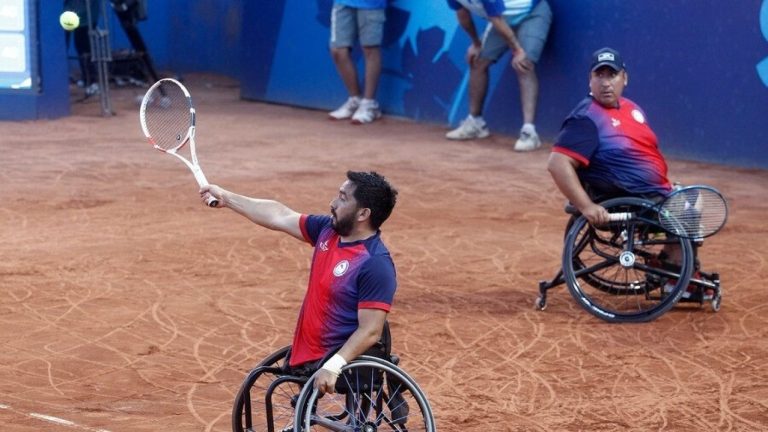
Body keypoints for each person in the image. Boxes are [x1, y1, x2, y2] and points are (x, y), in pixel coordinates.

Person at [200, 171, 398, 394]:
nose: (332, 203)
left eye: (343, 198)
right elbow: (279, 216)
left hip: (338, 359)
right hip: (307, 354)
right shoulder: (327, 232)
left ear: (363, 213)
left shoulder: (375, 264)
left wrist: (334, 365)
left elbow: (371, 330)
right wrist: (227, 198)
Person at [547, 47, 672, 226]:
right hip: (634, 199)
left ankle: (671, 254)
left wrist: (663, 183)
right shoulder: (586, 118)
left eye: (612, 75)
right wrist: (587, 206)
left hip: (652, 193)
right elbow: (557, 164)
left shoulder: (632, 108)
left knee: (694, 200)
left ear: (625, 78)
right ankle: (677, 254)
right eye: (599, 75)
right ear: (590, 80)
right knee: (687, 212)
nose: (605, 83)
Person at [445, 0, 552, 152]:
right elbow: (463, 14)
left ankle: (529, 132)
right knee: (478, 61)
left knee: (524, 64)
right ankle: (476, 123)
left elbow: (496, 18)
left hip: (532, 13)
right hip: (502, 19)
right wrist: (476, 44)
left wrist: (518, 51)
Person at [327, 1, 386, 124]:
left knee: (370, 49)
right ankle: (355, 100)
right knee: (338, 50)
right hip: (343, 3)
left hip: (371, 4)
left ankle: (369, 104)